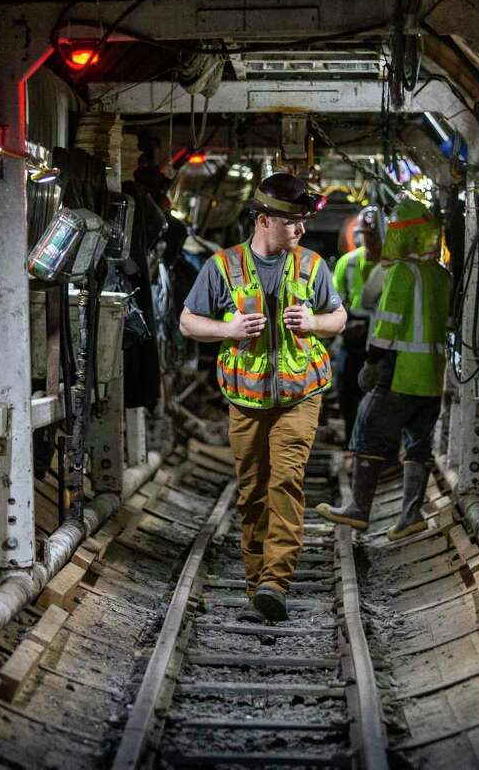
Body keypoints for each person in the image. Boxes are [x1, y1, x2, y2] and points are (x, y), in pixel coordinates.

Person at [179, 173, 347, 622]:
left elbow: (339, 318)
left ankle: (276, 579)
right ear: (264, 220)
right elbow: (188, 322)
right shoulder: (223, 268)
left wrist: (313, 323)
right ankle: (258, 583)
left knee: (285, 480)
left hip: (299, 394)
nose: (301, 230)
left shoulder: (311, 265)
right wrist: (227, 329)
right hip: (246, 400)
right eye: (293, 221)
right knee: (252, 490)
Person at [317, 198, 450, 541]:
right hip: (434, 375)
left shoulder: (401, 272)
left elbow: (388, 323)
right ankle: (411, 515)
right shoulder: (440, 274)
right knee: (418, 446)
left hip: (401, 370)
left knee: (368, 430)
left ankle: (359, 509)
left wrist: (373, 361)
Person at [331, 207, 382, 447]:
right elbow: (333, 304)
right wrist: (344, 325)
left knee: (374, 395)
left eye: (372, 234)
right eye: (364, 234)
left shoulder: (390, 267)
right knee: (345, 387)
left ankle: (370, 442)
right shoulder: (347, 263)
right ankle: (353, 439)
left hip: (379, 342)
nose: (367, 239)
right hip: (352, 338)